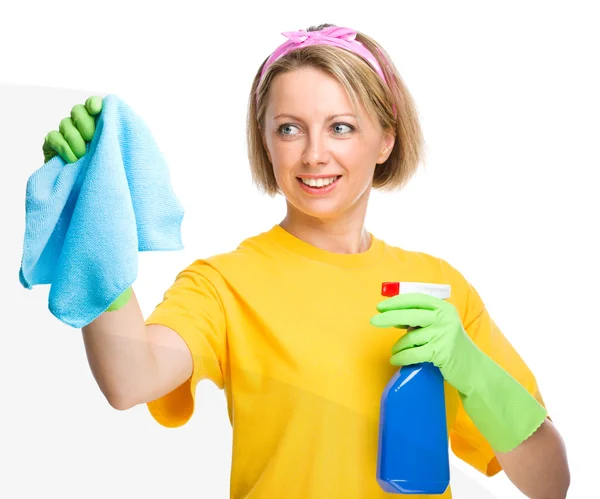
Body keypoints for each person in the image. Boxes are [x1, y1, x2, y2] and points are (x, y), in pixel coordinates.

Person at [42, 23, 570, 499]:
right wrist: (92, 223)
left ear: (386, 138)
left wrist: (475, 371)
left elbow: (551, 484)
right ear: (266, 143)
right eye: (289, 128)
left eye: (341, 127)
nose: (314, 153)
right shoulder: (226, 284)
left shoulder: (437, 287)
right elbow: (130, 378)